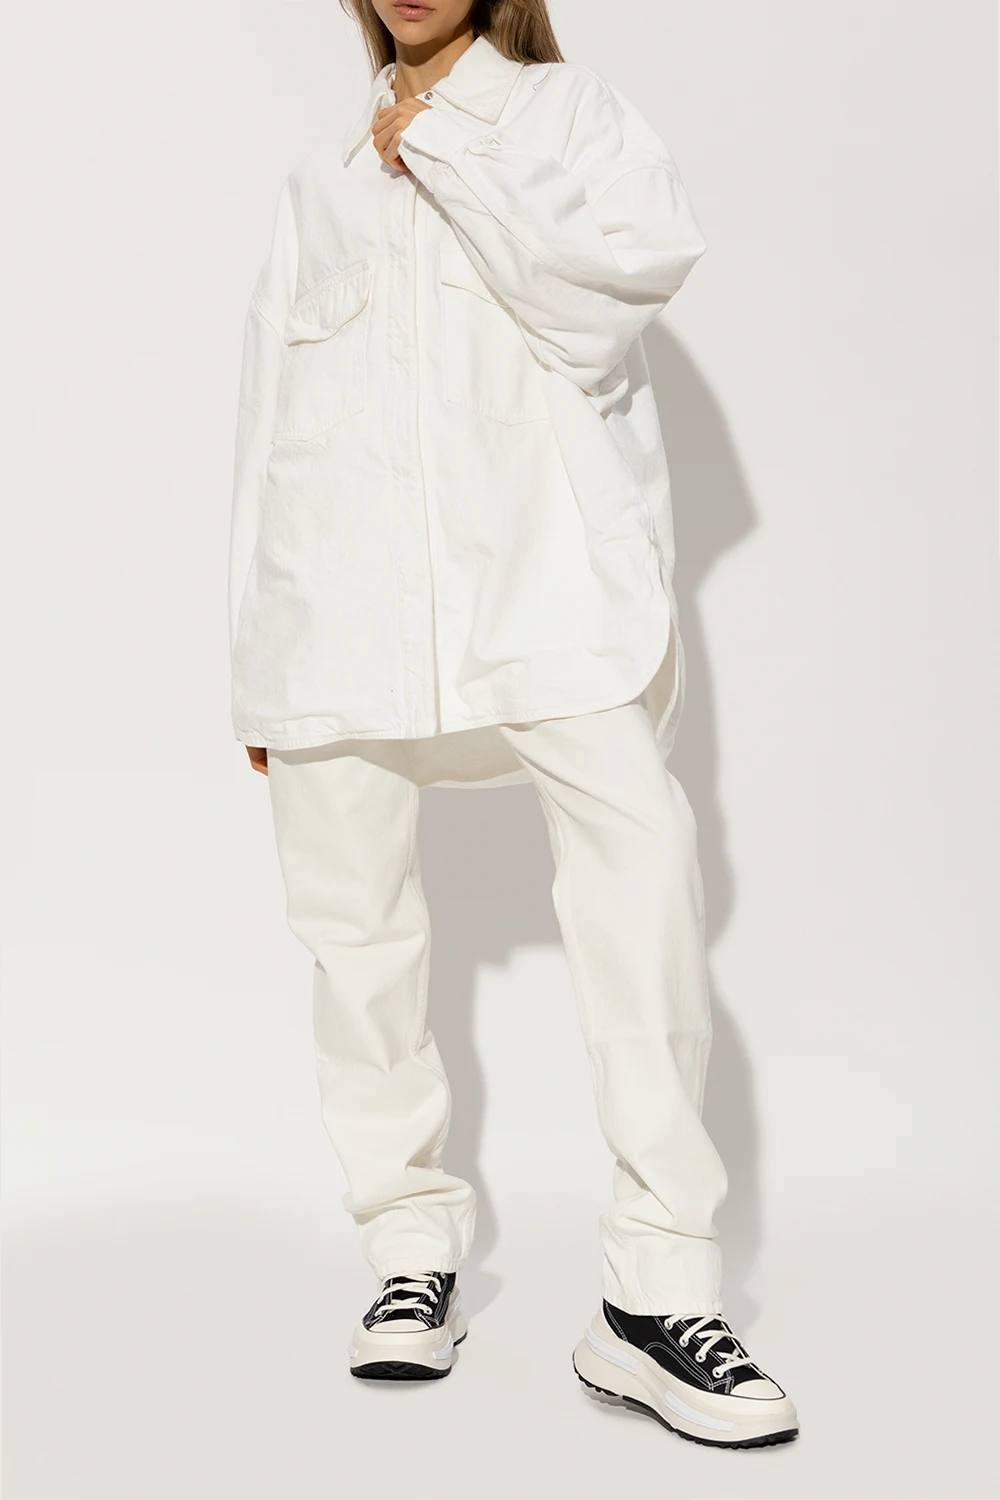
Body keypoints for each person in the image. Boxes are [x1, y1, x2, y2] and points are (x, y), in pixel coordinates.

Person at [227, 0, 797, 1448]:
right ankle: (406, 1249)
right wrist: (254, 659)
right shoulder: (320, 184)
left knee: (642, 885)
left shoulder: (570, 120)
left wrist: (447, 151)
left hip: (548, 589)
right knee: (354, 939)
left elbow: (608, 299)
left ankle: (655, 1295)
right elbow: (269, 422)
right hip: (340, 614)